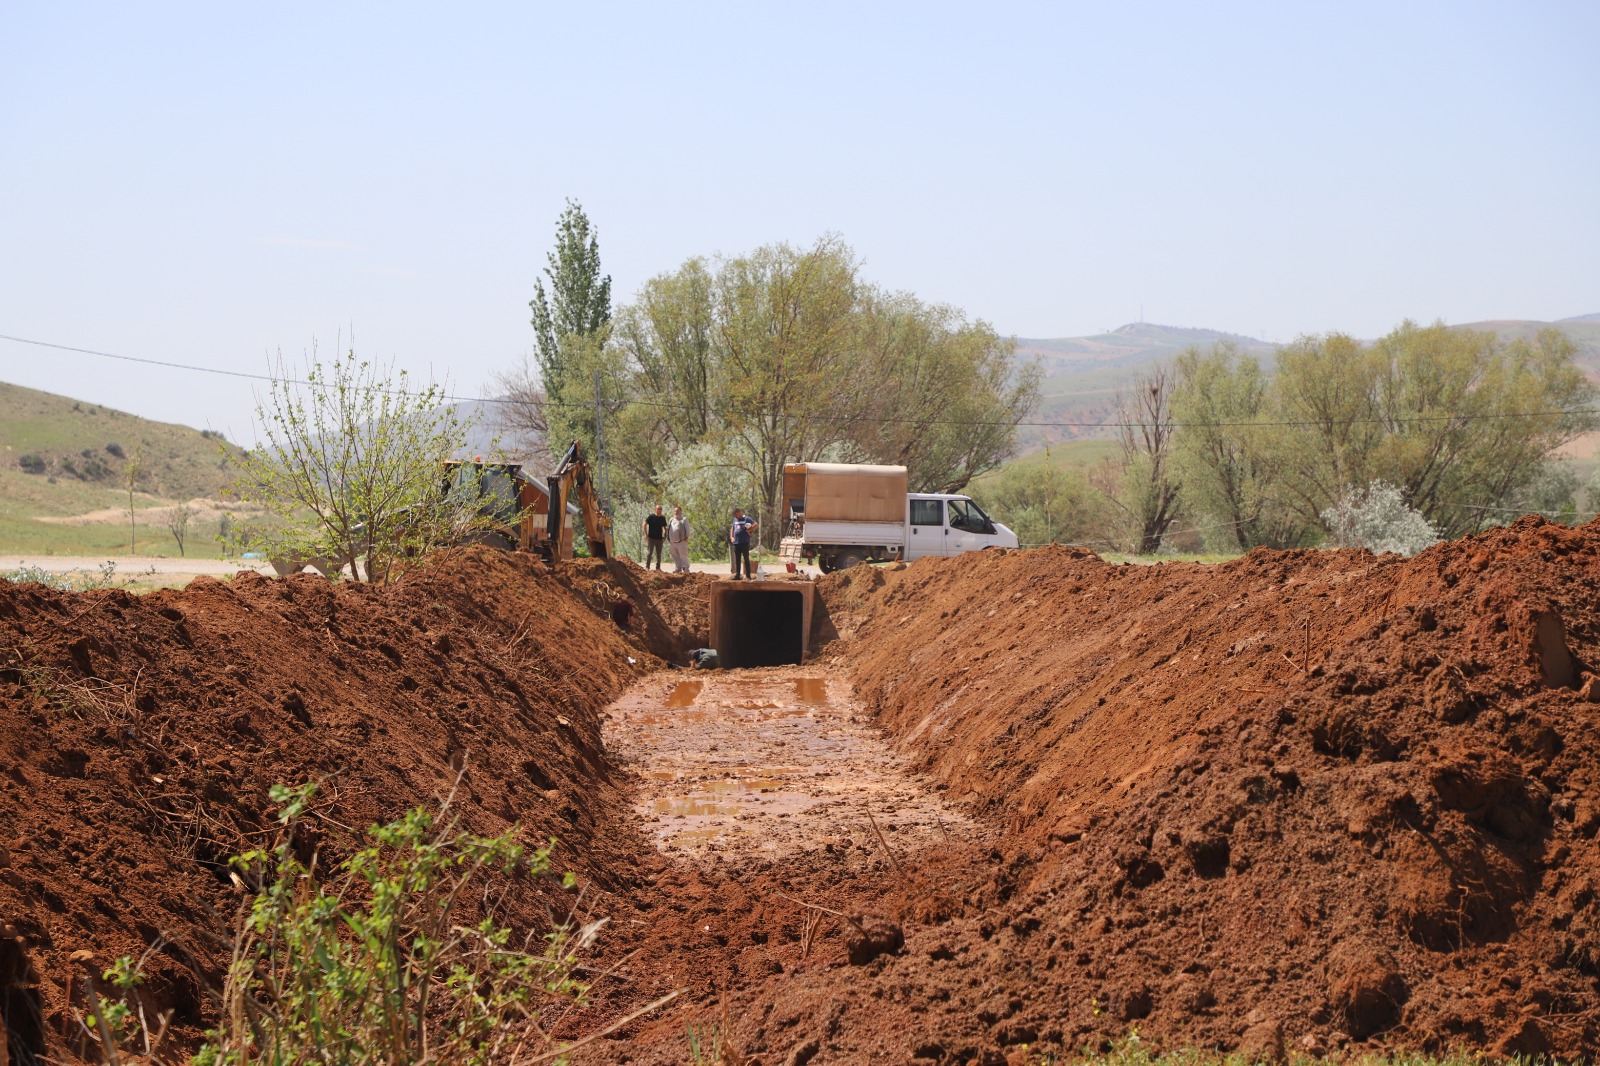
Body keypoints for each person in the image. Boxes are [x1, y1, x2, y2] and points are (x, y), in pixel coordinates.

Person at [729, 507, 757, 579]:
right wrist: (732, 537)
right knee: (737, 559)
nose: (735, 516)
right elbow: (733, 528)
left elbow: (755, 524)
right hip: (736, 542)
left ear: (739, 512)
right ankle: (738, 575)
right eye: (734, 515)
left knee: (746, 558)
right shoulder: (735, 520)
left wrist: (750, 530)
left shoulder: (746, 519)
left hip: (744, 542)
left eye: (736, 514)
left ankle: (748, 576)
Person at [667, 506, 692, 574]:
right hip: (672, 542)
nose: (676, 512)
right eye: (675, 511)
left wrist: (687, 537)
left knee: (683, 555)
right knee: (675, 556)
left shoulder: (684, 519)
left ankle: (686, 568)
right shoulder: (671, 519)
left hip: (681, 541)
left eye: (677, 511)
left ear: (681, 511)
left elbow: (688, 529)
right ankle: (678, 568)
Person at [642, 504, 667, 570]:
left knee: (659, 554)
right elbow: (644, 524)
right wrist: (646, 534)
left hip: (659, 539)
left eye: (660, 509)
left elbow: (665, 528)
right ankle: (647, 566)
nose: (659, 510)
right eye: (658, 509)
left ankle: (658, 567)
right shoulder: (651, 517)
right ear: (655, 509)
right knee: (649, 553)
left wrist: (665, 536)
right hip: (651, 538)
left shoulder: (662, 518)